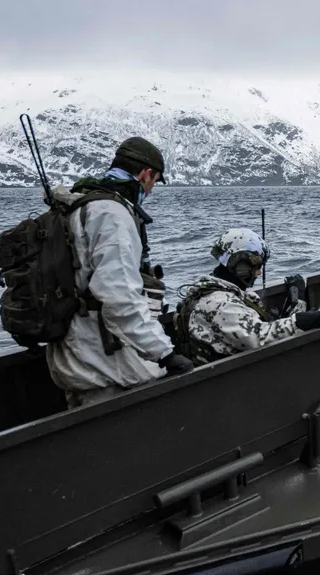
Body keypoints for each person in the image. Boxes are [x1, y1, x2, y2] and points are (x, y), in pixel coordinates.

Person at [45, 137, 194, 408]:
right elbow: (119, 295)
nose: (149, 191)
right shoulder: (113, 214)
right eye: (153, 183)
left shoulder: (78, 206)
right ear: (147, 174)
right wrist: (164, 353)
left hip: (73, 353)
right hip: (103, 361)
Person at [173, 227, 320, 365]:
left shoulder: (221, 294)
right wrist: (309, 319)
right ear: (238, 263)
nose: (258, 273)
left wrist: (297, 301)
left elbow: (258, 326)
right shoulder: (219, 303)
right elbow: (258, 338)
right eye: (255, 266)